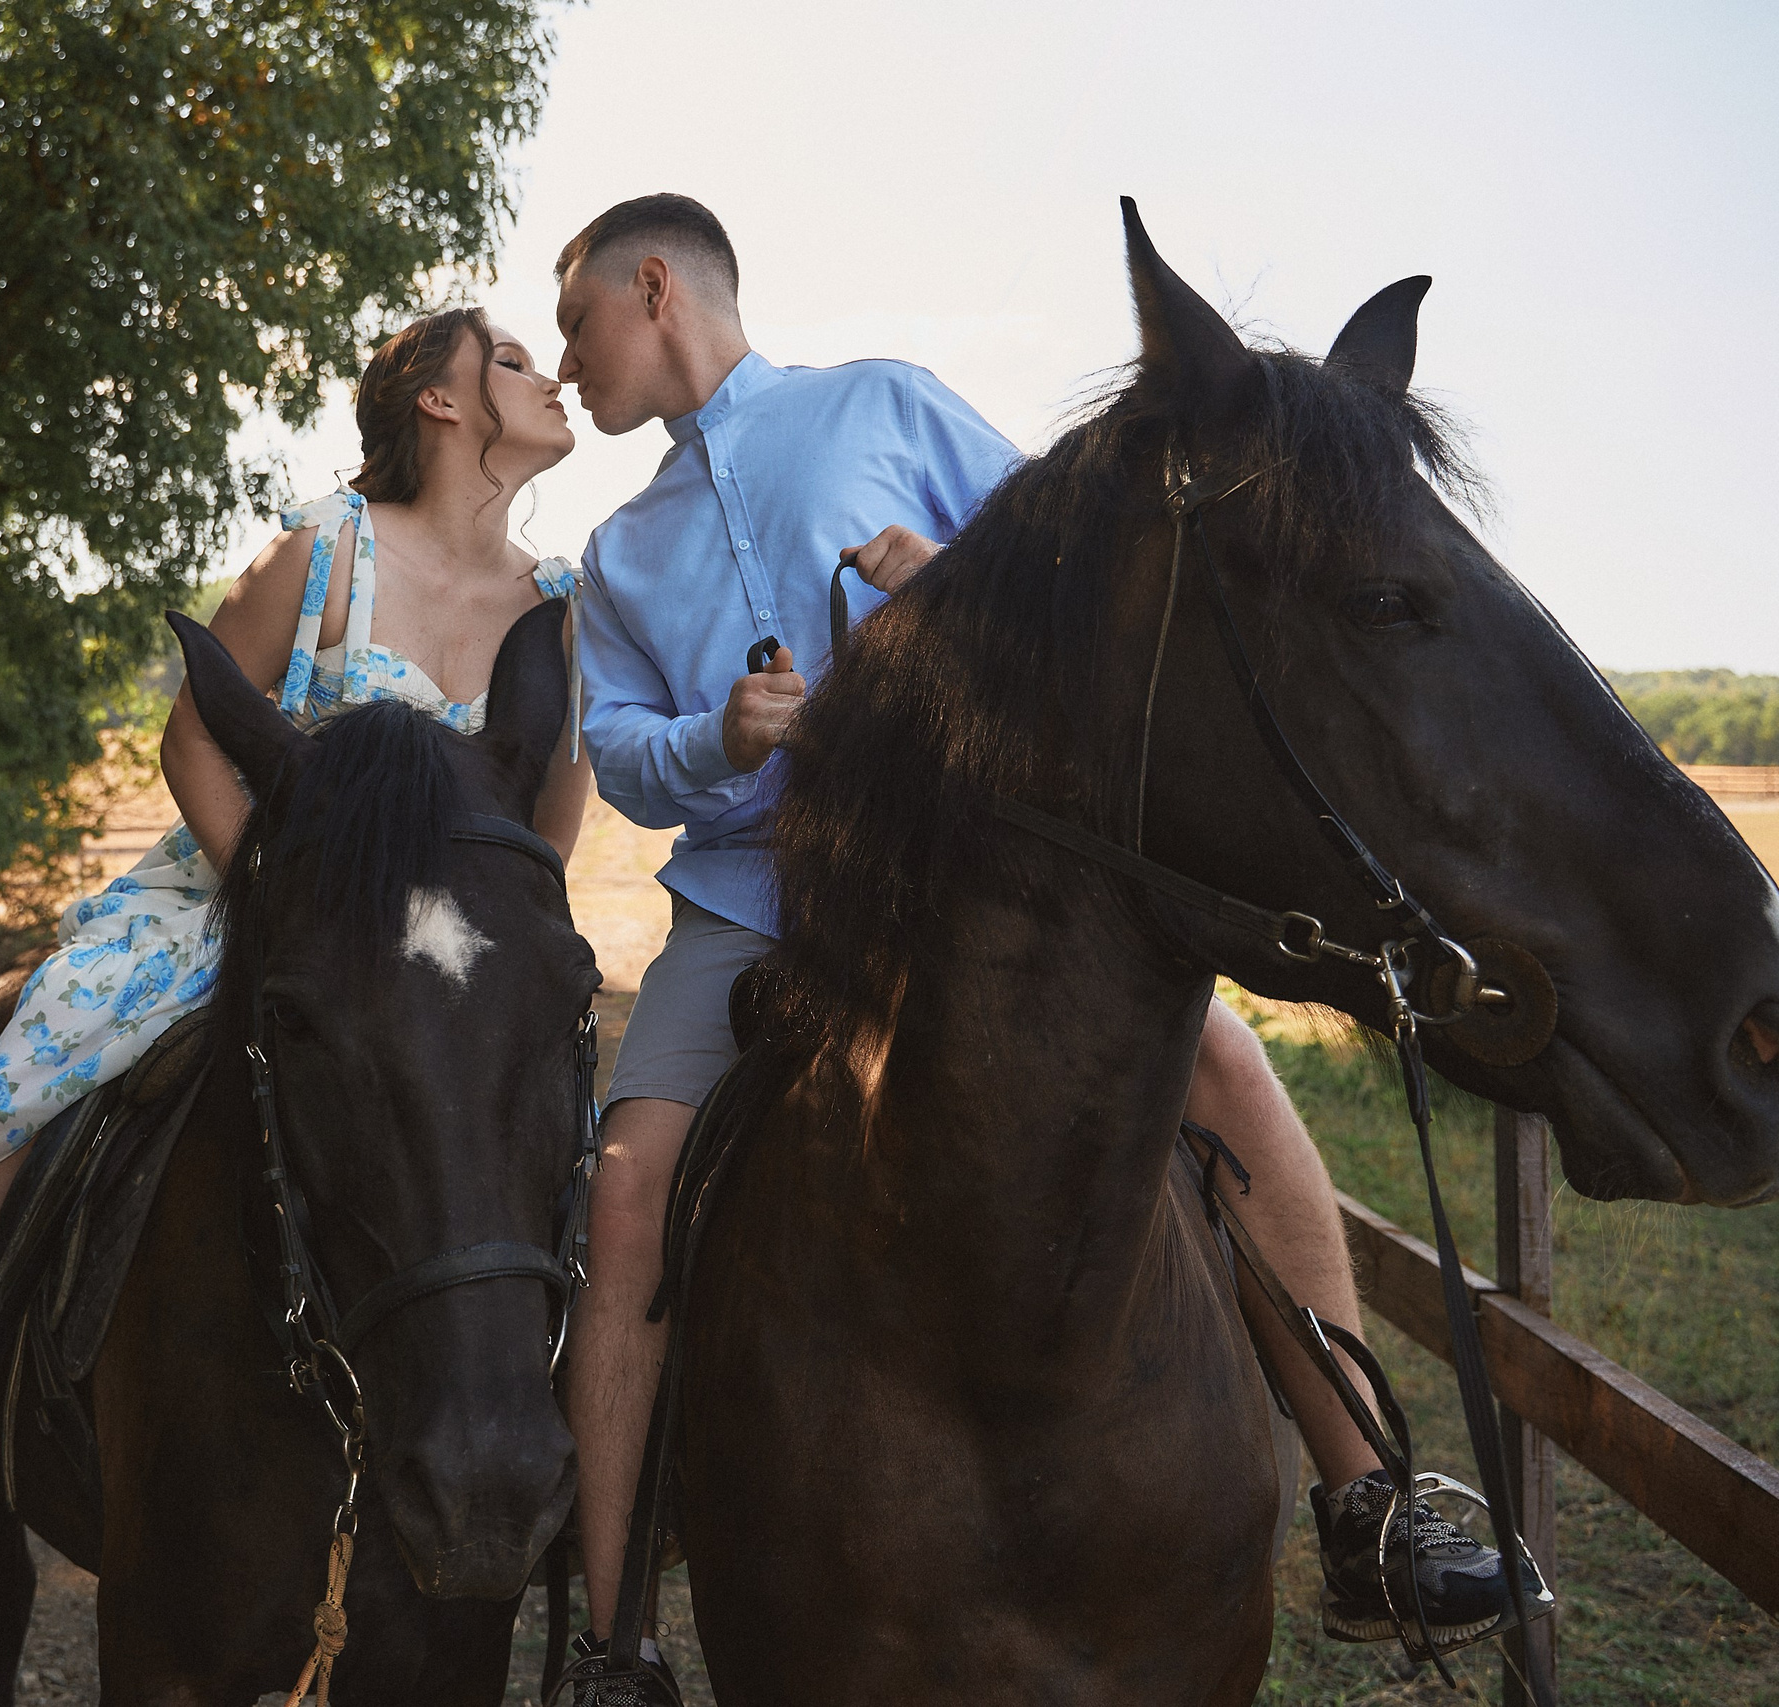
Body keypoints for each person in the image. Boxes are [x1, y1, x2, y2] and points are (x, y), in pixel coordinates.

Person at [546, 194, 1524, 1703]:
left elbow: (1094, 584)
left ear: (655, 287)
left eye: (577, 322)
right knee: (626, 1194)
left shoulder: (884, 406)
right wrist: (710, 736)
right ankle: (615, 1640)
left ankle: (1370, 1497)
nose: (568, 361)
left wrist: (940, 575)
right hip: (748, 902)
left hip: (967, 875)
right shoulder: (617, 552)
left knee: (1215, 1050)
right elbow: (613, 752)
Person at [0, 307, 593, 1595]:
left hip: (436, 949)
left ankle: (568, 1470)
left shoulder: (557, 605)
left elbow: (547, 809)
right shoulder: (326, 556)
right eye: (512, 359)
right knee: (2, 1112)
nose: (548, 372)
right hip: (242, 898)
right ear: (441, 405)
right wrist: (274, 891)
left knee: (557, 1153)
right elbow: (191, 741)